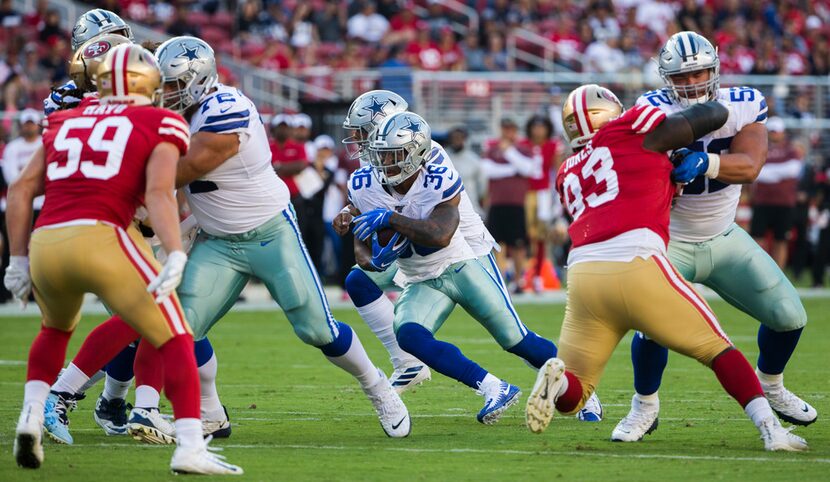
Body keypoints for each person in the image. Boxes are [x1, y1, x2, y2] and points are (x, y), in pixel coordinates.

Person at [137, 36, 410, 439]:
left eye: (174, 85)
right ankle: (211, 411)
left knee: (318, 330)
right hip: (217, 241)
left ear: (198, 80)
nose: (166, 93)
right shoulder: (175, 111)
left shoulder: (227, 109)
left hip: (269, 233)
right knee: (181, 326)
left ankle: (378, 386)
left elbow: (185, 168)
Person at [524, 83, 807, 452]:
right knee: (718, 350)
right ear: (611, 111)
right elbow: (712, 114)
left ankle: (556, 382)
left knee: (576, 395)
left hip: (583, 275)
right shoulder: (630, 129)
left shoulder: (566, 171)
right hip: (636, 262)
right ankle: (772, 430)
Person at [7, 43, 242, 474]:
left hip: (46, 241)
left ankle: (32, 414)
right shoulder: (159, 120)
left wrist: (18, 261)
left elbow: (21, 190)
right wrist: (174, 252)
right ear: (146, 81)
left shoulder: (64, 119)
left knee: (54, 330)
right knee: (173, 333)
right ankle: (189, 445)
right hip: (105, 237)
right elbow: (157, 193)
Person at [614, 32, 815, 442]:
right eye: (682, 76)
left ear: (716, 68)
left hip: (723, 237)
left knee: (790, 317)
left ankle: (772, 384)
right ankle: (644, 407)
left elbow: (750, 164)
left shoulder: (743, 102)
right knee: (653, 326)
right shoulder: (650, 110)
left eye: (700, 72)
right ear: (666, 77)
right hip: (669, 240)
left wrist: (706, 161)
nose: (691, 83)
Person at [349, 111, 562, 424]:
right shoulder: (364, 180)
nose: (383, 162)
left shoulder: (435, 168)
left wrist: (391, 219)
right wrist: (369, 253)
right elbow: (361, 231)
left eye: (392, 154)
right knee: (408, 334)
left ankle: (579, 390)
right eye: (381, 154)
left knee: (515, 339)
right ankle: (493, 387)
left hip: (461, 262)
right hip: (421, 275)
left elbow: (440, 233)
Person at [482, 118, 533, 292]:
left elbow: (527, 169)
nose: (508, 132)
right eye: (505, 128)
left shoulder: (523, 149)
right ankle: (500, 280)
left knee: (518, 245)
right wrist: (513, 169)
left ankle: (519, 281)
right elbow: (488, 170)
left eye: (511, 129)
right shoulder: (493, 149)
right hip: (497, 203)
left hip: (516, 203)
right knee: (497, 244)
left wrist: (509, 152)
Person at [750, 117, 803, 268]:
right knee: (757, 239)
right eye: (771, 131)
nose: (774, 135)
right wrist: (779, 173)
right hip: (762, 201)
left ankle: (780, 275)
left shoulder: (791, 149)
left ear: (782, 133)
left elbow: (793, 170)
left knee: (781, 240)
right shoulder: (760, 148)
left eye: (776, 132)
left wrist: (768, 173)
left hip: (784, 202)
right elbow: (755, 172)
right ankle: (759, 272)